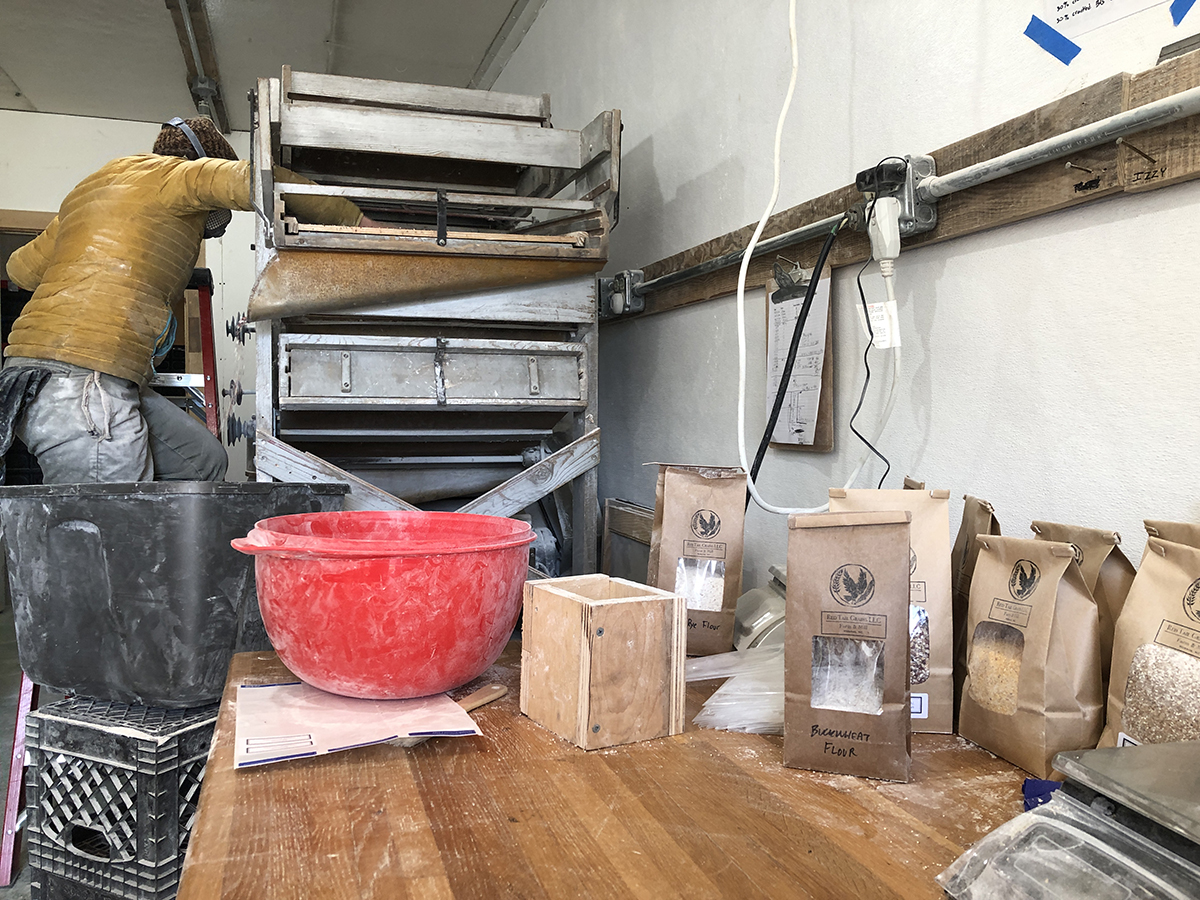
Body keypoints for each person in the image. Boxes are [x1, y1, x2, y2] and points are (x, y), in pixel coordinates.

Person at [3, 116, 368, 484]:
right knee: (113, 520)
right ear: (203, 160)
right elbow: (264, 182)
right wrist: (360, 223)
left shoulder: (91, 188)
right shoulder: (177, 176)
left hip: (46, 377)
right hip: (83, 382)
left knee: (201, 461)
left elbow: (21, 269)